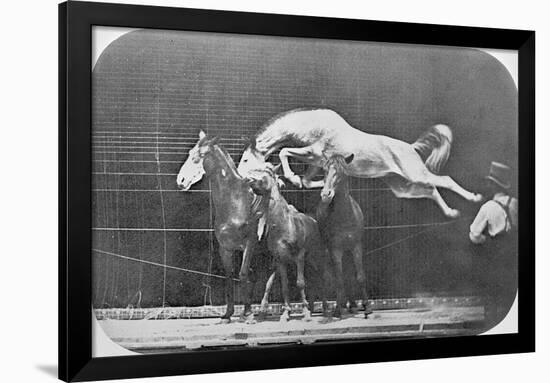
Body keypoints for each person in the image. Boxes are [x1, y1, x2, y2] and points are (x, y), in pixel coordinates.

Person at [469, 161, 518, 329]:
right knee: (510, 287)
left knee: (492, 286)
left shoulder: (488, 207)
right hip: (514, 252)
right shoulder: (515, 203)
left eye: (489, 183)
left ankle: (491, 325)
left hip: (495, 252)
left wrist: (485, 242)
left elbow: (474, 234)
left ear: (493, 184)